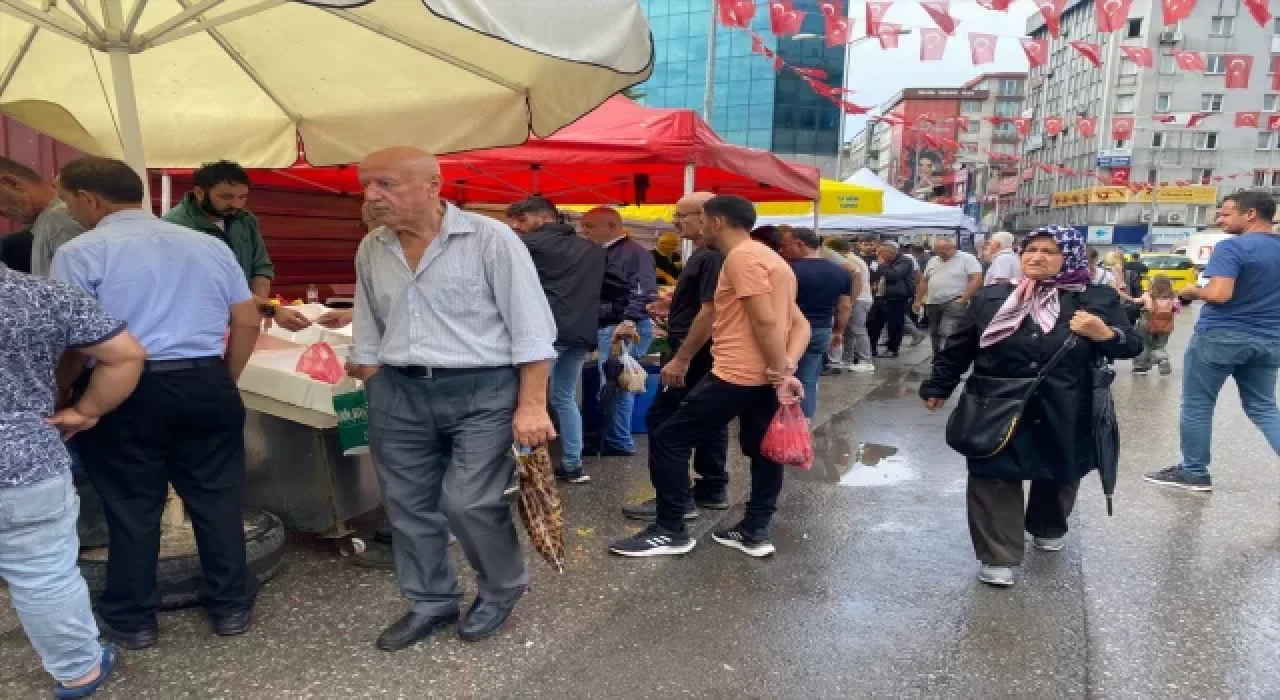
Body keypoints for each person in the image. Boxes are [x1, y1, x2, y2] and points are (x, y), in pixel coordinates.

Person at [350, 147, 558, 650]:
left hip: (483, 388)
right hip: (399, 390)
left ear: (432, 187)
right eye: (367, 185)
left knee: (469, 501)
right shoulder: (372, 247)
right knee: (407, 505)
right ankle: (430, 601)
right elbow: (368, 320)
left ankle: (502, 588)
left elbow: (532, 327)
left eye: (386, 184)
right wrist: (374, 374)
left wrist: (531, 404)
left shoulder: (491, 238)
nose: (372, 196)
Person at [51, 156, 263, 649]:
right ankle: (230, 607)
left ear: (90, 199)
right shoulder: (209, 245)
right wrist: (223, 379)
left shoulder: (81, 251)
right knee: (217, 500)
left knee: (132, 508)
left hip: (123, 388)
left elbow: (72, 341)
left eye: (69, 200)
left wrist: (64, 393)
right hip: (206, 380)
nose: (70, 210)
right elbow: (247, 319)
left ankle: (133, 620)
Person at [920, 225, 1141, 588]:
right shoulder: (992, 297)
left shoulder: (1096, 298)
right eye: (1030, 250)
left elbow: (1130, 345)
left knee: (1060, 470)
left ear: (1069, 257)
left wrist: (1104, 334)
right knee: (992, 473)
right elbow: (961, 345)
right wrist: (939, 385)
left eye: (1048, 251)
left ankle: (1047, 525)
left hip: (1067, 402)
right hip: (996, 400)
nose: (1036, 257)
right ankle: (998, 555)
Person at [609, 195, 808, 559]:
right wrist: (786, 368)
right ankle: (754, 529)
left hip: (739, 374)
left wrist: (781, 372)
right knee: (764, 451)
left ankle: (670, 530)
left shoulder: (742, 257)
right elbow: (800, 324)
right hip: (762, 376)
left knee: (669, 436)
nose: (685, 222)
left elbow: (765, 320)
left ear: (716, 221)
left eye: (698, 216)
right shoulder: (772, 259)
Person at [1, 261, 147, 698]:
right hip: (24, 460)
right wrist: (87, 411)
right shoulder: (40, 295)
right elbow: (126, 354)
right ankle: (79, 670)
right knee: (43, 574)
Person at [1144, 191, 1280, 492]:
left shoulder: (1233, 247)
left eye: (1226, 213)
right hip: (1271, 339)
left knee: (1198, 403)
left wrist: (1193, 292)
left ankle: (1194, 471)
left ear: (1251, 214)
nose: (1219, 218)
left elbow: (1219, 294)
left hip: (1222, 335)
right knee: (1264, 406)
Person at [622, 191, 730, 521]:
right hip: (699, 348)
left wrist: (682, 357)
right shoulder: (708, 254)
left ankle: (676, 499)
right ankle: (711, 487)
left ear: (706, 216)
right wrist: (674, 305)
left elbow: (710, 311)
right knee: (709, 420)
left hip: (695, 351)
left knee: (665, 422)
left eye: (682, 215)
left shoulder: (712, 255)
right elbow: (705, 302)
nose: (675, 221)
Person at [506, 196, 605, 484]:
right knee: (564, 398)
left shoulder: (527, 246)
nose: (517, 227)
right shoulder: (593, 250)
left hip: (542, 334)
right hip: (581, 333)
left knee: (526, 400)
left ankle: (526, 467)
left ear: (543, 217)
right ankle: (573, 464)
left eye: (522, 220)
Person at [164, 161, 309, 331]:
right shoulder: (175, 227)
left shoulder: (245, 220)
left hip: (241, 319)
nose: (236, 204)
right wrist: (271, 310)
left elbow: (261, 267)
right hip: (195, 326)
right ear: (200, 193)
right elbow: (216, 284)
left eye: (242, 197)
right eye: (226, 197)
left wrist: (257, 311)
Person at [581, 207, 657, 457]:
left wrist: (629, 320)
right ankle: (614, 438)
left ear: (612, 226)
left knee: (619, 384)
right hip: (613, 324)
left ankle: (619, 441)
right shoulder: (606, 252)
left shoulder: (633, 253)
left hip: (621, 327)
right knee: (615, 383)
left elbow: (643, 290)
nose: (584, 231)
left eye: (590, 226)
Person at [779, 227, 852, 419]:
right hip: (822, 329)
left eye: (786, 246)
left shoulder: (789, 270)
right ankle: (804, 422)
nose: (782, 250)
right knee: (809, 380)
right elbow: (844, 307)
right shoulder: (840, 272)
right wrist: (839, 331)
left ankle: (782, 422)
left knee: (782, 377)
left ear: (799, 244)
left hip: (791, 331)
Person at [0, 157, 85, 276]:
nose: (2, 212)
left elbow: (81, 284)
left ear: (11, 183)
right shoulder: (49, 220)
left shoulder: (58, 221)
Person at [913, 238, 982, 357]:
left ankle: (948, 358)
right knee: (934, 332)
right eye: (938, 252)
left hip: (954, 300)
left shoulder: (967, 258)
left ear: (953, 248)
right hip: (933, 301)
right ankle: (937, 357)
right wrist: (918, 300)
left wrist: (964, 298)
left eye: (943, 252)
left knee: (947, 330)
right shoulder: (933, 260)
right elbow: (924, 281)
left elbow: (976, 278)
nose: (941, 255)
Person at [822, 237, 874, 373]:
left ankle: (866, 360)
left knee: (858, 329)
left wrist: (850, 301)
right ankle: (847, 359)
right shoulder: (853, 258)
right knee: (850, 330)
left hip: (859, 299)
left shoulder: (848, 261)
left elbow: (855, 278)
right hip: (860, 298)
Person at [866, 241, 916, 359]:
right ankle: (871, 348)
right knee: (873, 323)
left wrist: (882, 265)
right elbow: (872, 274)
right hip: (878, 296)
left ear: (891, 252)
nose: (879, 255)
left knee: (895, 324)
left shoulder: (905, 261)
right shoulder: (878, 261)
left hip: (896, 297)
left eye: (881, 252)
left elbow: (894, 275)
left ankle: (893, 349)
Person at [1131, 274, 1181, 376]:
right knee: (1160, 345)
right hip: (1166, 326)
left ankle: (1141, 367)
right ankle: (1163, 359)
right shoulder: (1173, 297)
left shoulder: (1148, 295)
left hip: (1147, 324)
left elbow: (1137, 302)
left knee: (1144, 344)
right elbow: (1177, 309)